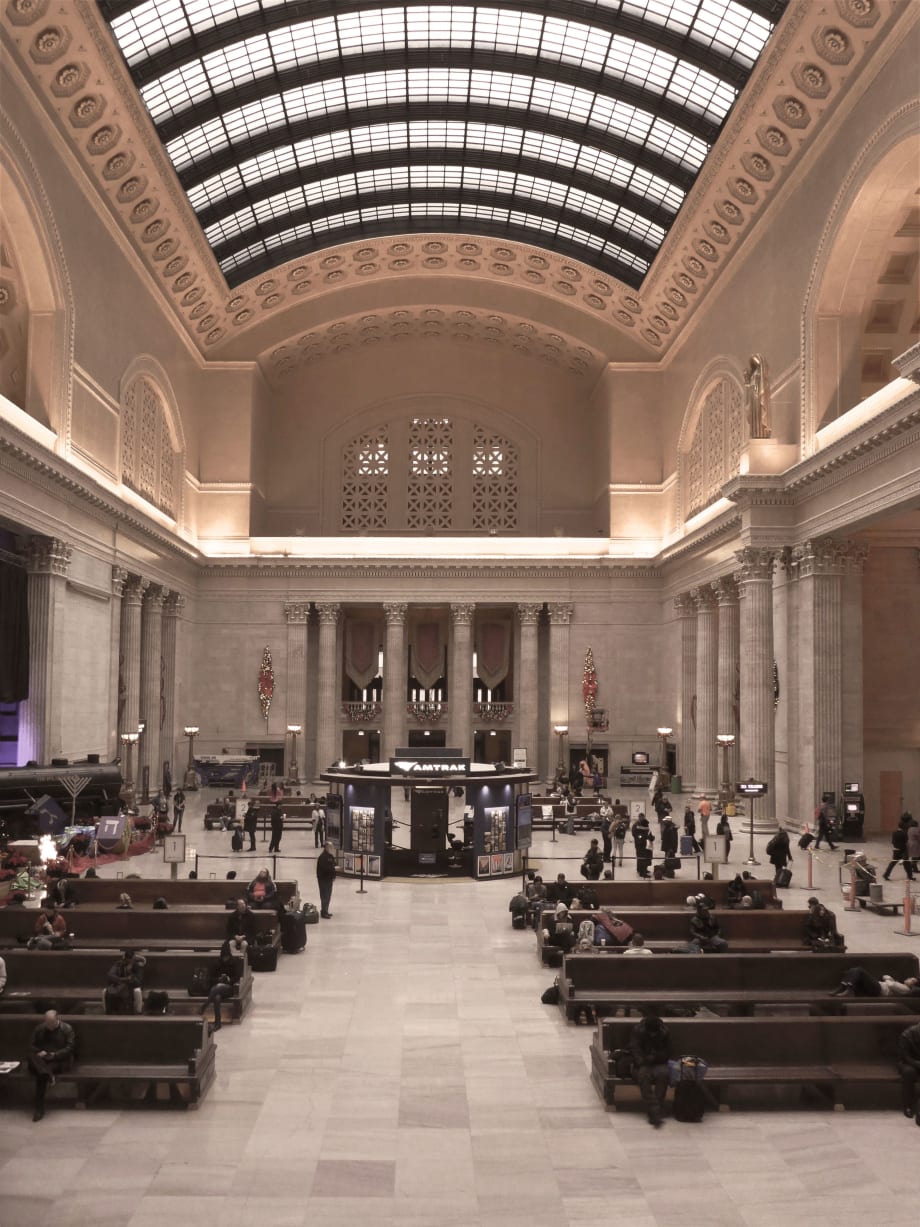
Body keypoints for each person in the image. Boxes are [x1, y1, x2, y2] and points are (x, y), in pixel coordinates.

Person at [28, 1009, 75, 1121]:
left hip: (58, 1060)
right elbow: (31, 1046)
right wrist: (40, 1052)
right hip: (41, 1060)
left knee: (41, 1076)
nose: (49, 1026)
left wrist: (53, 1054)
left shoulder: (67, 1029)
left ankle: (39, 1109)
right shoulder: (39, 1028)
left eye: (51, 1023)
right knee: (32, 1057)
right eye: (47, 1023)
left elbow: (70, 1048)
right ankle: (48, 1074)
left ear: (57, 1020)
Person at [630, 1012, 671, 1128]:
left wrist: (656, 1057)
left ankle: (656, 1109)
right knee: (643, 1076)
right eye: (650, 1033)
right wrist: (642, 1060)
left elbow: (668, 1051)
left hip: (659, 1063)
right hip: (643, 1064)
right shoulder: (638, 1031)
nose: (652, 1035)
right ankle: (655, 1109)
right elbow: (634, 1048)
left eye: (654, 1033)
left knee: (663, 1074)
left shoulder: (664, 1032)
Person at [103, 950, 145, 1015]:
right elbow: (110, 975)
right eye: (126, 960)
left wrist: (130, 973)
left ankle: (128, 1011)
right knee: (108, 991)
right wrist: (122, 979)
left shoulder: (137, 966)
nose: (129, 962)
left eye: (130, 960)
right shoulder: (118, 964)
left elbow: (139, 981)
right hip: (119, 985)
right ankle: (111, 1011)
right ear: (124, 959)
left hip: (131, 986)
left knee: (131, 992)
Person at [830, 968, 920, 998]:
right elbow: (886, 976)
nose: (908, 979)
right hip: (877, 987)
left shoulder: (906, 989)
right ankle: (843, 988)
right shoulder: (902, 985)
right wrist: (889, 979)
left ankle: (846, 990)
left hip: (878, 989)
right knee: (852, 971)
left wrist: (889, 980)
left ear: (913, 985)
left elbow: (890, 984)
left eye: (911, 980)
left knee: (859, 971)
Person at [897, 1022, 920, 1124]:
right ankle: (907, 1105)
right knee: (909, 1073)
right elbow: (905, 1057)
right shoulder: (907, 1035)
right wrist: (918, 1063)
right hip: (908, 1063)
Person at [316, 841, 337, 919]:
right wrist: (332, 871)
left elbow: (333, 865)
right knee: (324, 896)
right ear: (326, 848)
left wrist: (334, 875)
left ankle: (326, 910)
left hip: (329, 879)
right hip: (323, 880)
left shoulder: (330, 856)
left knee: (328, 896)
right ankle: (324, 912)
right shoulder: (323, 857)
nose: (332, 848)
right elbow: (326, 869)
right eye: (330, 847)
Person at [631, 813, 654, 878]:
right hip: (640, 845)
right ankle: (641, 870)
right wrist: (642, 837)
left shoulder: (645, 827)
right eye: (641, 817)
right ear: (639, 817)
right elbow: (634, 834)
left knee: (643, 858)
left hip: (645, 845)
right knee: (641, 858)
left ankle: (643, 870)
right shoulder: (636, 825)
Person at [612, 804, 629, 868]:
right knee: (621, 850)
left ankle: (613, 861)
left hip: (615, 838)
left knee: (614, 849)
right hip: (621, 839)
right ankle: (620, 861)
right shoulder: (623, 824)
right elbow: (625, 832)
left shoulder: (614, 823)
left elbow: (611, 830)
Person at [599, 799, 613, 863]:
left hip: (609, 835)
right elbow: (602, 829)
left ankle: (607, 857)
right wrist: (608, 833)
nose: (611, 817)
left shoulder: (610, 821)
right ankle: (605, 858)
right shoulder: (605, 822)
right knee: (607, 846)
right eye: (610, 816)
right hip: (606, 835)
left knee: (609, 847)